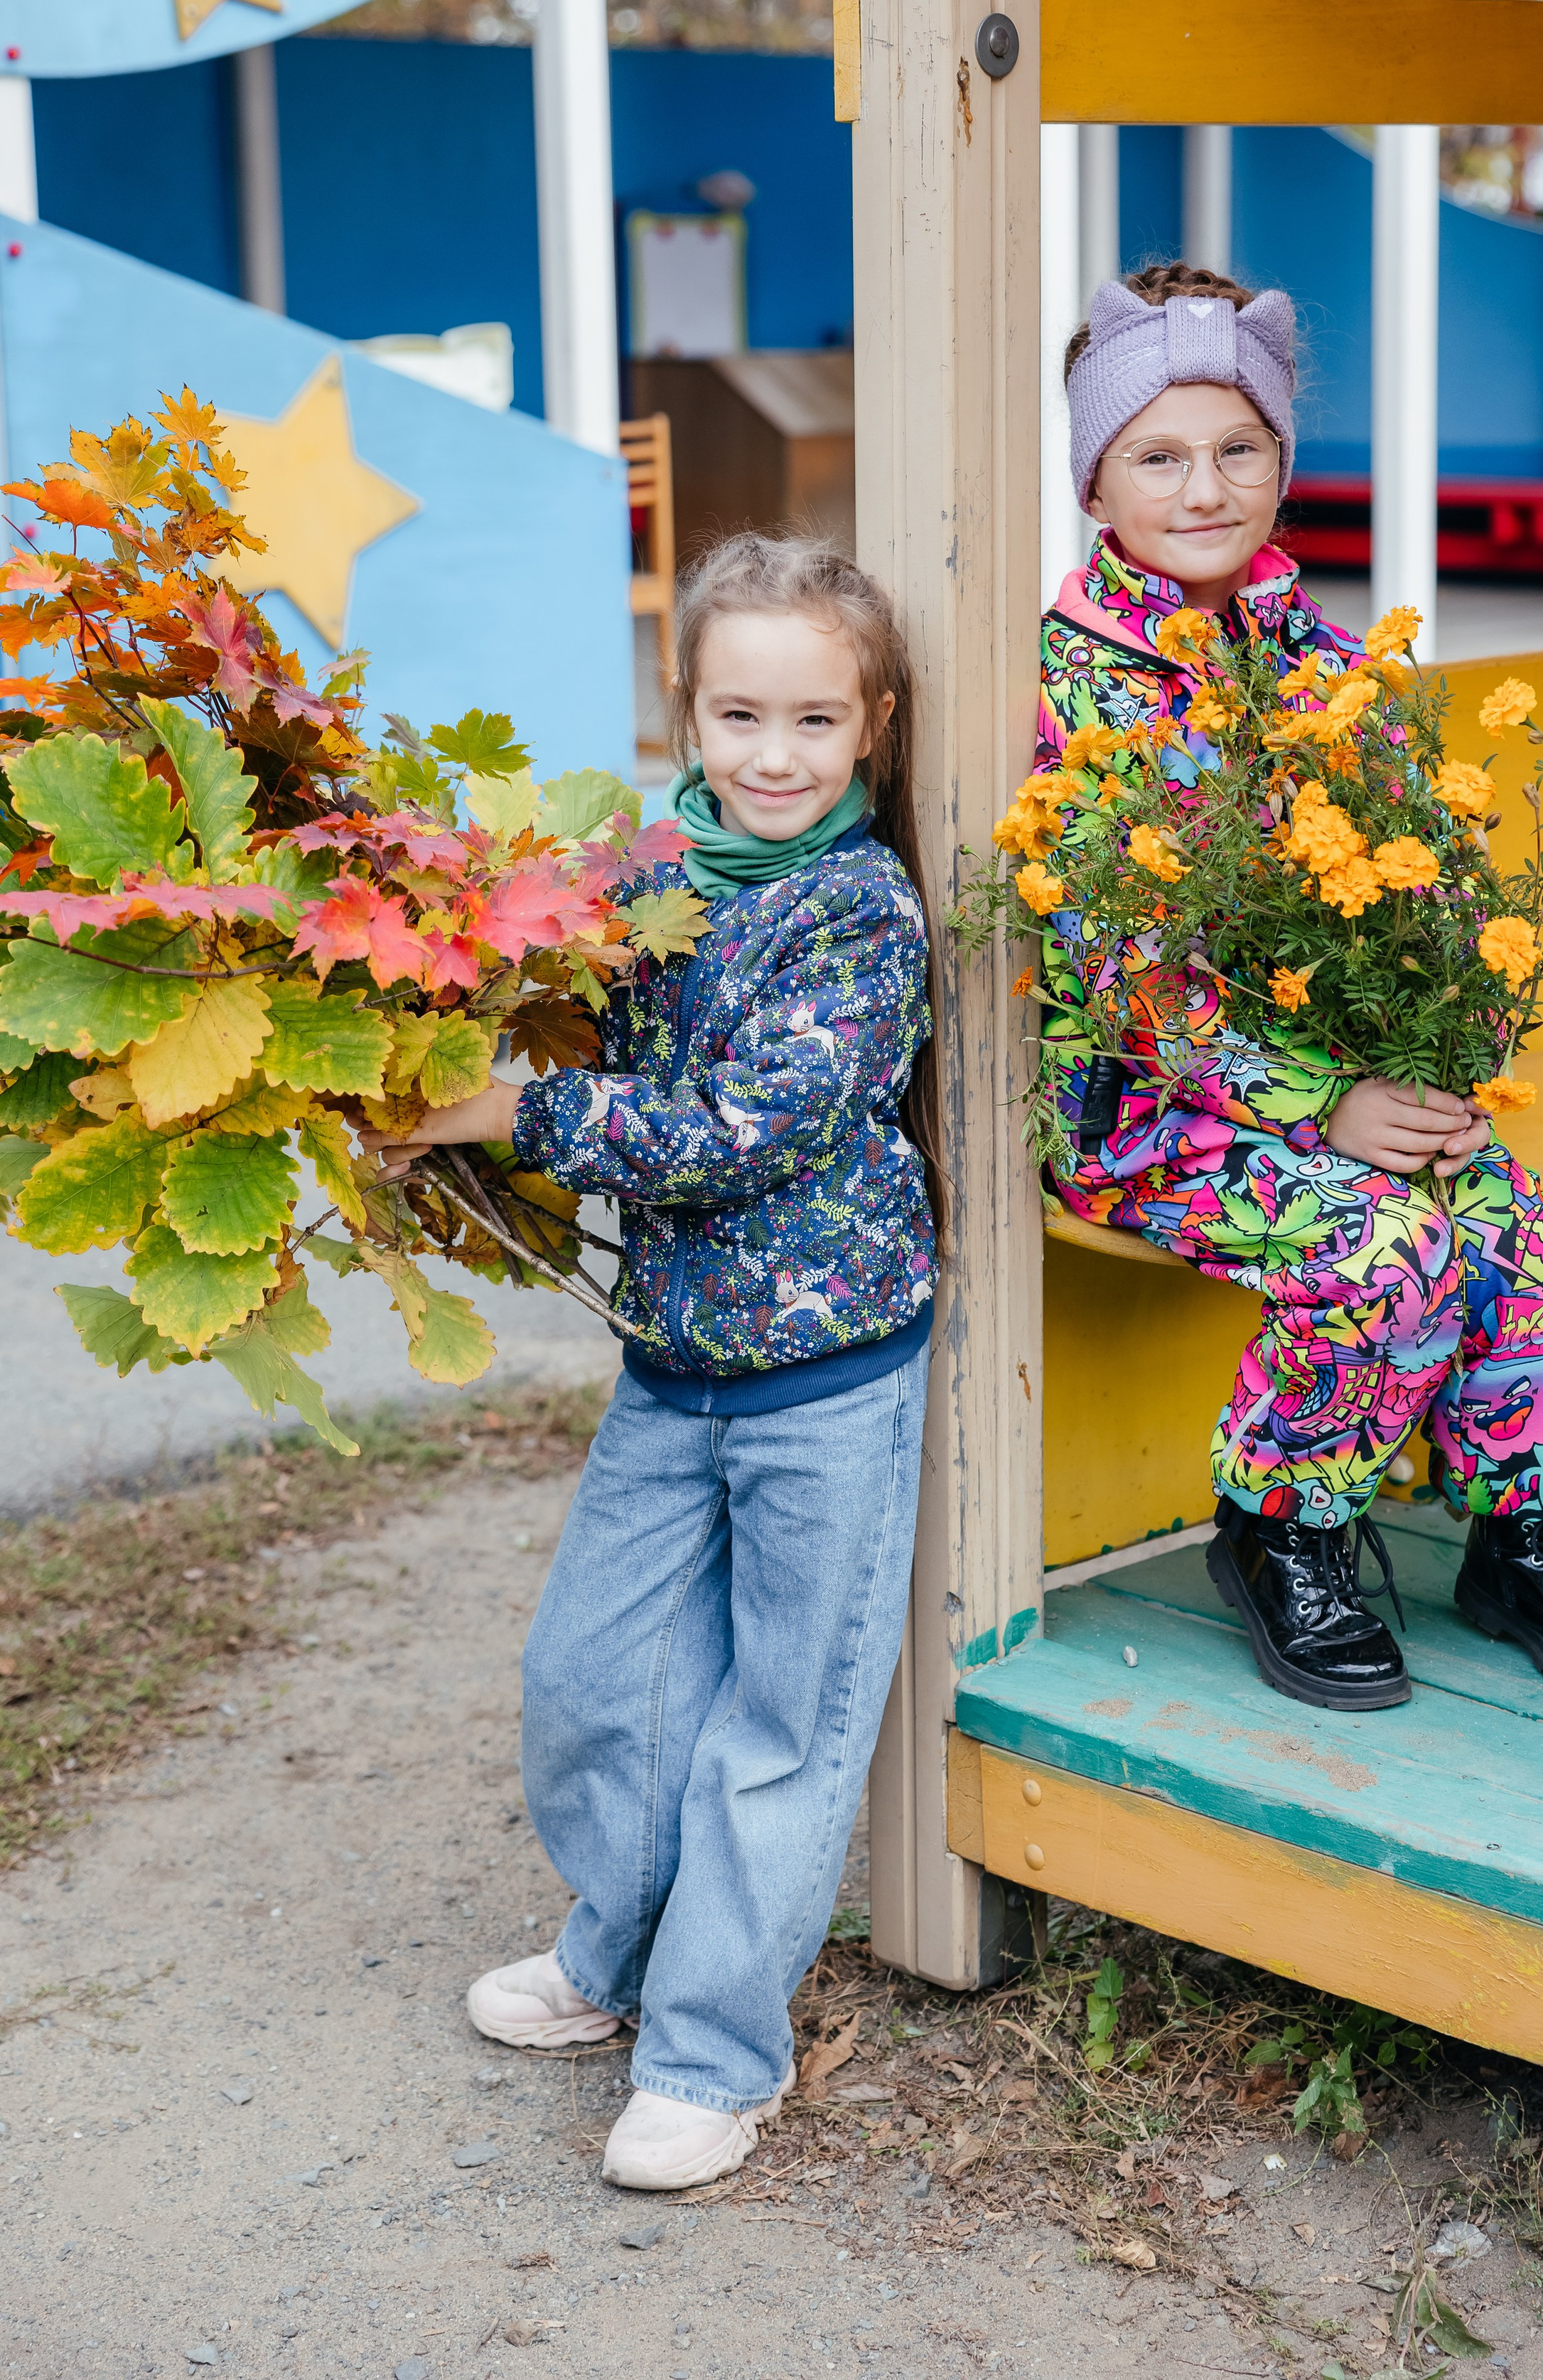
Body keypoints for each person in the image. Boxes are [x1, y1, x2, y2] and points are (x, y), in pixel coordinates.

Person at [372, 533, 942, 2190]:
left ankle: (712, 2056)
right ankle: (610, 1956)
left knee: (782, 1722)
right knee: (590, 1680)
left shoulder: (858, 914)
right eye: (740, 714)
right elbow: (536, 998)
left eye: (816, 722)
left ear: (874, 725)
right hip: (671, 1363)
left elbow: (744, 1131)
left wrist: (514, 1113)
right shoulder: (637, 879)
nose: (775, 756)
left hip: (828, 1376)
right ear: (682, 710)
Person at [1039, 262, 1543, 1712]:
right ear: (1093, 482)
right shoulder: (1079, 685)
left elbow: (1423, 880)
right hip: (1153, 1108)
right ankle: (1282, 1530)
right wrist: (1323, 1104)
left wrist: (1448, 1046)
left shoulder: (1328, 660)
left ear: (1278, 463)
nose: (1200, 487)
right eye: (1156, 455)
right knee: (1383, 1250)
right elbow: (1121, 974)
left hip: (1360, 1092)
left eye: (1235, 449)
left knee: (1529, 1236)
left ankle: (1520, 1536)